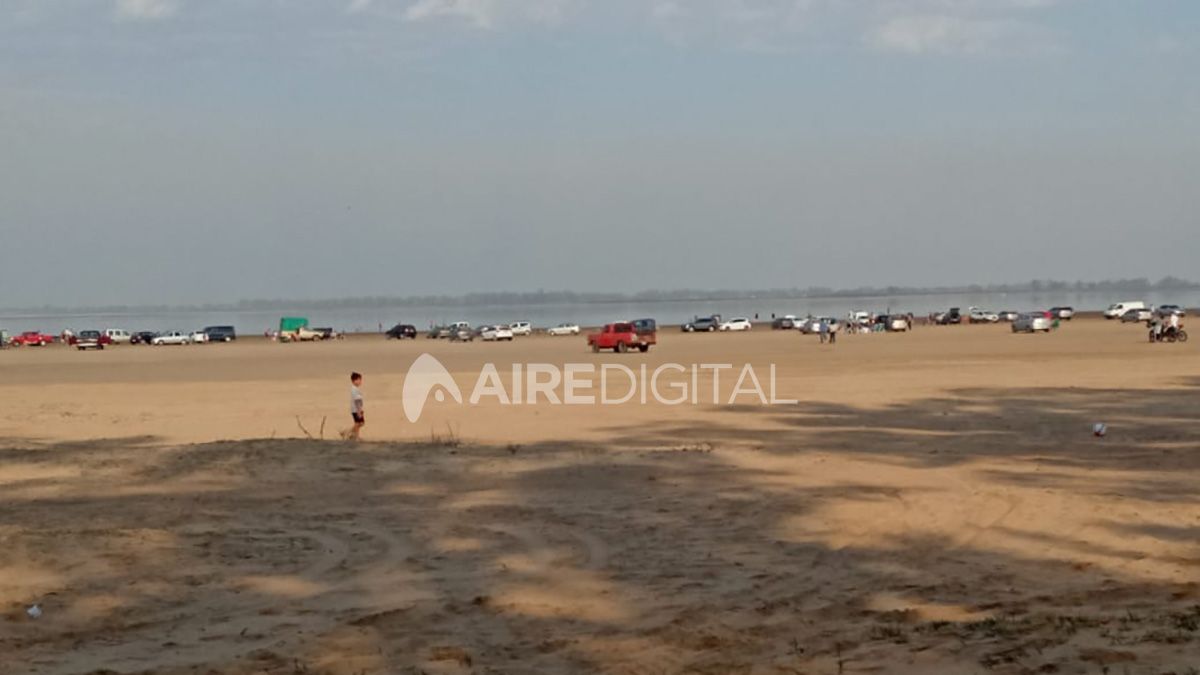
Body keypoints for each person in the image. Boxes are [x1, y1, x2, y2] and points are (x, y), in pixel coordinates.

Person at [344, 372, 365, 441]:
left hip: (357, 409)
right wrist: (359, 411)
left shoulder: (355, 389)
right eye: (359, 380)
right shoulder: (354, 389)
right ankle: (350, 433)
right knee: (358, 423)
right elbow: (356, 401)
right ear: (354, 380)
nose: (360, 381)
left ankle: (353, 434)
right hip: (356, 409)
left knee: (360, 423)